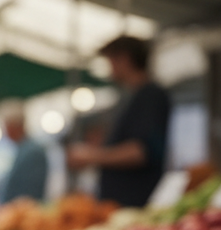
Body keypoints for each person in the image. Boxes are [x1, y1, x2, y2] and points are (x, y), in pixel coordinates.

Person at [66, 36, 170, 207]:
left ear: (124, 59)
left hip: (135, 203)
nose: (109, 68)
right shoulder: (129, 97)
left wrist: (92, 155)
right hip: (121, 204)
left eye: (110, 61)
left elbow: (140, 152)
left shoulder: (150, 96)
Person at [0, 99, 47, 202]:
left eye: (6, 126)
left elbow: (29, 194)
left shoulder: (32, 152)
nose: (4, 131)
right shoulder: (23, 150)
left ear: (14, 126)